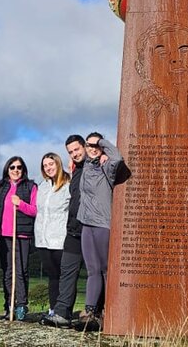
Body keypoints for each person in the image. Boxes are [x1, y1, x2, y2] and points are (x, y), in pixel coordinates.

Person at [76, 131, 124, 329]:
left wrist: (101, 144)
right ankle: (90, 311)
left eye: (95, 146)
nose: (92, 149)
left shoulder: (107, 165)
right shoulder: (86, 165)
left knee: (105, 270)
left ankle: (108, 309)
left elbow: (119, 157)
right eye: (89, 146)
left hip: (103, 223)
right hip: (86, 223)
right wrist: (89, 147)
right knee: (92, 269)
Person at [52, 134, 88, 327]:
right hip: (73, 230)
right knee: (67, 271)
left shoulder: (96, 166)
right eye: (71, 152)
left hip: (91, 229)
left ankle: (93, 313)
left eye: (77, 149)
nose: (74, 154)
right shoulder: (76, 171)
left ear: (84, 146)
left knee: (94, 273)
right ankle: (62, 313)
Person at [0, 155, 37, 321]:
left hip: (21, 234)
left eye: (19, 167)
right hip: (3, 235)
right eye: (12, 167)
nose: (15, 170)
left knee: (21, 271)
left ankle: (21, 305)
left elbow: (34, 210)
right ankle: (9, 304)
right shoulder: (2, 186)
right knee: (8, 272)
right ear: (7, 169)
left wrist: (20, 203)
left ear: (23, 169)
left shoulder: (30, 186)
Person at [34, 152, 71, 326]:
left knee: (64, 276)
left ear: (58, 163)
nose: (48, 168)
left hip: (60, 238)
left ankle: (64, 311)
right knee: (52, 276)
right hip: (42, 239)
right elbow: (37, 211)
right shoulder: (42, 186)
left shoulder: (68, 184)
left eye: (51, 164)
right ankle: (52, 310)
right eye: (45, 165)